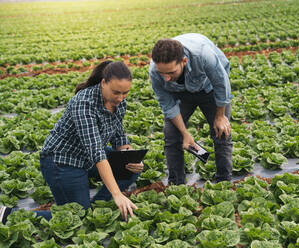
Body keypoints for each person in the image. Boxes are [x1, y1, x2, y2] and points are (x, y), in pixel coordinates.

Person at [1, 61, 142, 224]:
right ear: (103, 83)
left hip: (87, 159)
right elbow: (96, 152)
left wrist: (128, 155)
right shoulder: (83, 103)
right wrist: (117, 195)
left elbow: (118, 137)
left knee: (131, 167)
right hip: (62, 161)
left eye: (125, 93)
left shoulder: (119, 102)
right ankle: (9, 215)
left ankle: (96, 206)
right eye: (116, 92)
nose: (120, 98)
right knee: (77, 217)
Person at [149, 33, 233, 185]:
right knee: (171, 135)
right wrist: (184, 133)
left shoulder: (202, 55)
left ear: (184, 61)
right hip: (180, 93)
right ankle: (176, 185)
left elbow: (221, 82)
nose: (166, 78)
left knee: (221, 132)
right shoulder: (154, 71)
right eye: (163, 73)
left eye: (171, 72)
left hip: (209, 89)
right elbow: (168, 105)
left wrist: (220, 116)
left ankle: (224, 182)